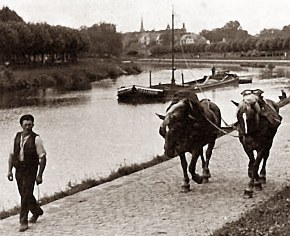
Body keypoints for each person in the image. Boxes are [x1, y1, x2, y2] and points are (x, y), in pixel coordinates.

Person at [7, 114, 47, 232]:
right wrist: (9, 170)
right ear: (21, 125)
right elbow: (11, 155)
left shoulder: (36, 139)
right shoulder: (16, 137)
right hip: (19, 169)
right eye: (25, 125)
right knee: (23, 193)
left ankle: (23, 221)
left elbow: (43, 157)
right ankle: (37, 211)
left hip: (31, 169)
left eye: (30, 125)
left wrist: (40, 175)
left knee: (26, 193)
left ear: (33, 125)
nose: (28, 127)